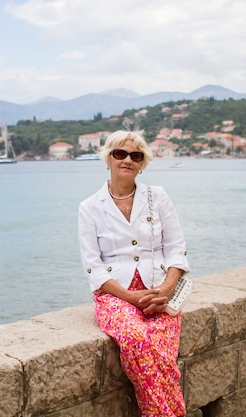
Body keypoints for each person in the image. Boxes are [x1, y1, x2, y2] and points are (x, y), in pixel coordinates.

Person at [77, 129, 190, 417]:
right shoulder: (89, 208)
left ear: (142, 163)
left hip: (158, 292)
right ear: (109, 159)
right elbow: (93, 266)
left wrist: (166, 290)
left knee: (162, 354)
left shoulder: (158, 197)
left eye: (135, 155)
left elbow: (177, 249)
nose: (127, 159)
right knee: (137, 341)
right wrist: (129, 296)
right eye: (120, 153)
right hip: (115, 294)